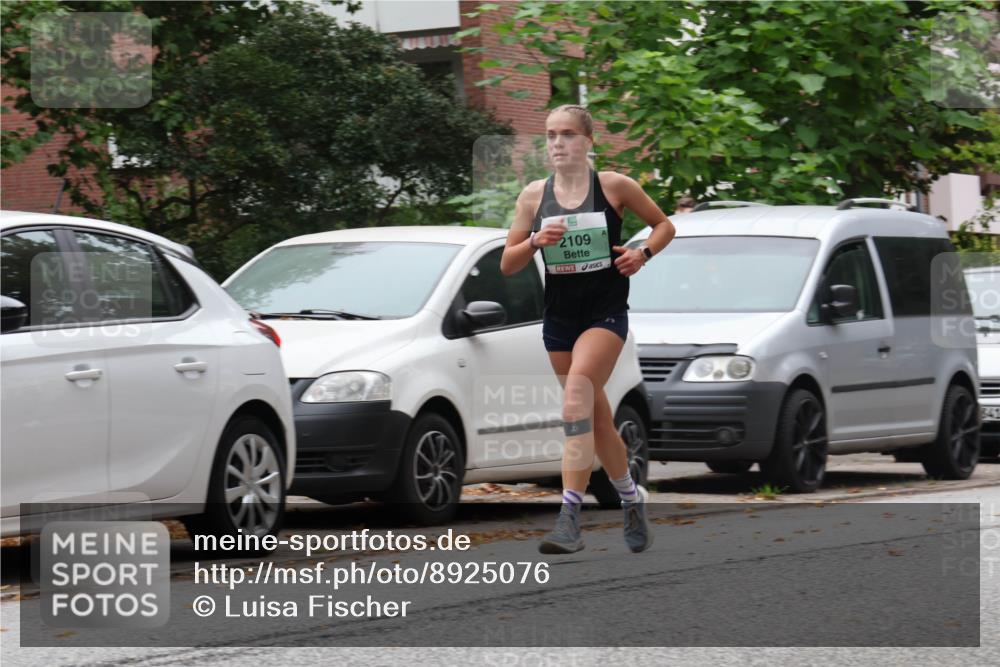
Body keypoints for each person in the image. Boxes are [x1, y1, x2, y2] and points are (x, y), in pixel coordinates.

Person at [500, 104, 675, 554]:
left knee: (576, 398)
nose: (557, 143)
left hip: (605, 315)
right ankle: (632, 499)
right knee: (596, 420)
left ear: (587, 141)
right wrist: (534, 241)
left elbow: (664, 226)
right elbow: (508, 263)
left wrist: (641, 254)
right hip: (559, 320)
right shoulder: (533, 196)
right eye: (550, 135)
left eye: (567, 135)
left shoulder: (614, 186)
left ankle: (568, 519)